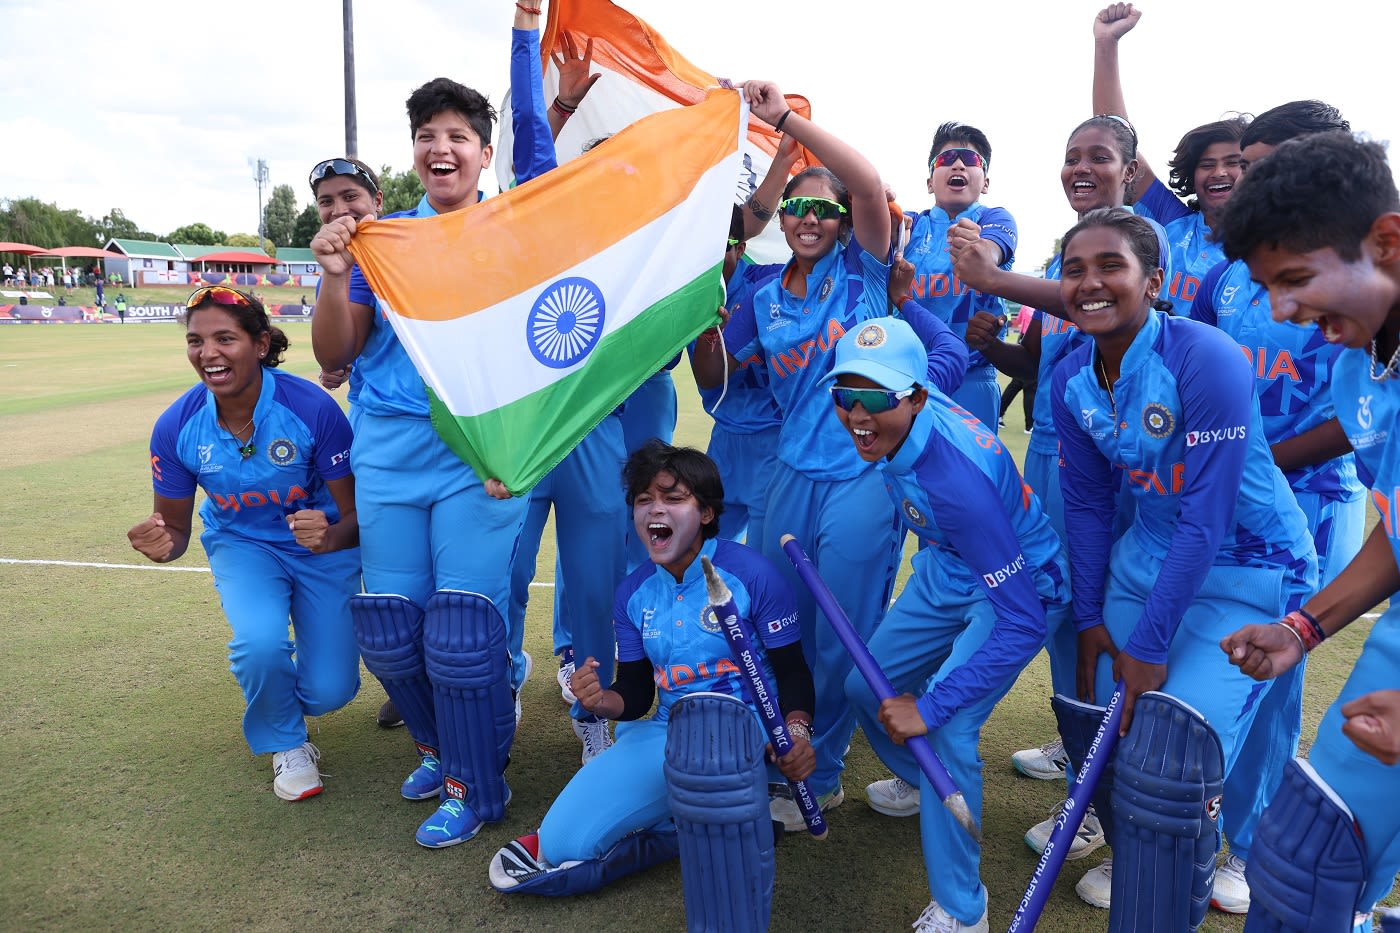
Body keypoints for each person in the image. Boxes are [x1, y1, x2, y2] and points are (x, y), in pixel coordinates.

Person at [308, 3, 556, 847]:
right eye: (426, 136)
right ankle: (438, 745)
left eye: (458, 135)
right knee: (389, 626)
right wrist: (337, 273)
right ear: (411, 151)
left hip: (476, 458)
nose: (440, 149)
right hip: (386, 453)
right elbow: (337, 351)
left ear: (485, 153)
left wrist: (521, 448)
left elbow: (552, 350)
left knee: (460, 629)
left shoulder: (513, 232)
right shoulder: (385, 240)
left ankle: (474, 783)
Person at [691, 78, 968, 833]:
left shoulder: (866, 276)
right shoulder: (766, 294)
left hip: (864, 481)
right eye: (798, 207)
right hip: (785, 476)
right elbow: (714, 376)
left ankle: (832, 769)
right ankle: (790, 751)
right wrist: (701, 324)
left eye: (824, 208)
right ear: (783, 219)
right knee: (777, 627)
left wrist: (785, 123)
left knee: (842, 634)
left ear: (844, 223)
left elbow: (873, 184)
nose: (809, 217)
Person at [1050, 209, 1317, 916]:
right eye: (1074, 268)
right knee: (1127, 733)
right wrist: (1088, 617)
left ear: (1155, 281)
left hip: (1252, 565)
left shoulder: (1207, 356)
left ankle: (1233, 850)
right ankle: (1144, 848)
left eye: (1111, 265)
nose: (1090, 282)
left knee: (1193, 738)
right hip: (1148, 557)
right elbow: (1084, 505)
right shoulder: (1071, 374)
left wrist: (1150, 642)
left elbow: (1207, 516)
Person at [959, 116, 1167, 847]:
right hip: (1050, 451)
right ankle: (1079, 745)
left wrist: (992, 279)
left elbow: (1116, 330)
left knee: (1104, 615)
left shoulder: (1133, 250)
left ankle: (1105, 795)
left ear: (1130, 167)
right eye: (1071, 156)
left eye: (1100, 157)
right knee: (1061, 614)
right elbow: (1044, 367)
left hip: (1112, 466)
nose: (1081, 167)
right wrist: (1003, 348)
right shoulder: (1068, 250)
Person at [487, 441, 814, 898]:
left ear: (705, 512)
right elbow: (639, 692)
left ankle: (717, 815)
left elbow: (794, 673)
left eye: (672, 498)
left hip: (744, 737)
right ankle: (686, 831)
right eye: (644, 501)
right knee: (563, 843)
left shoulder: (753, 575)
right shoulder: (633, 593)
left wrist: (796, 736)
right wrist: (602, 700)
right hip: (671, 734)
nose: (654, 510)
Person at [828, 318, 1069, 932]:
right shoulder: (914, 396)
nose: (858, 412)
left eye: (876, 397)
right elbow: (945, 346)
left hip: (1018, 585)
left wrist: (932, 708)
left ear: (913, 396)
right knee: (865, 688)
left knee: (948, 728)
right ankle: (927, 788)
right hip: (947, 566)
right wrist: (904, 298)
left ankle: (965, 910)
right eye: (844, 395)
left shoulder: (955, 483)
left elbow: (1022, 621)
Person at [1215, 131, 1400, 933]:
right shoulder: (1363, 365)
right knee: (1303, 864)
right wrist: (1302, 627)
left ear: (1387, 243)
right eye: (1267, 286)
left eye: (1295, 279)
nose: (1283, 309)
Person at [1184, 98, 1362, 914]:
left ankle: (1246, 845)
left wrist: (1250, 464)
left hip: (1309, 504)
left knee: (1274, 690)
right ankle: (1190, 817)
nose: (1238, 178)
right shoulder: (1229, 276)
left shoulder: (1354, 300)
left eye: (1256, 166)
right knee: (1226, 653)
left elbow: (1353, 424)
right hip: (1227, 501)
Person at [126, 286, 361, 801]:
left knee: (331, 691)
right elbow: (178, 533)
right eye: (196, 340)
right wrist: (162, 542)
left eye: (224, 338)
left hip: (323, 551)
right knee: (259, 645)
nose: (208, 353)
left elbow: (357, 517)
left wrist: (330, 536)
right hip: (243, 546)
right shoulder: (176, 426)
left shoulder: (312, 408)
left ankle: (288, 705)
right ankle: (287, 744)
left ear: (259, 344)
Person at [1091, 3, 1248, 316]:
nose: (1219, 172)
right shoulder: (1169, 221)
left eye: (1233, 162)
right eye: (1206, 165)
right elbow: (1117, 138)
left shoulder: (1271, 245)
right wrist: (1106, 44)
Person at [904, 121, 1018, 432]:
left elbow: (991, 253)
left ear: (985, 182)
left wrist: (981, 250)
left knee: (969, 477)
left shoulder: (995, 218)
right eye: (945, 159)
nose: (957, 163)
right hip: (909, 376)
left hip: (972, 378)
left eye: (970, 160)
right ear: (930, 182)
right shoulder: (907, 226)